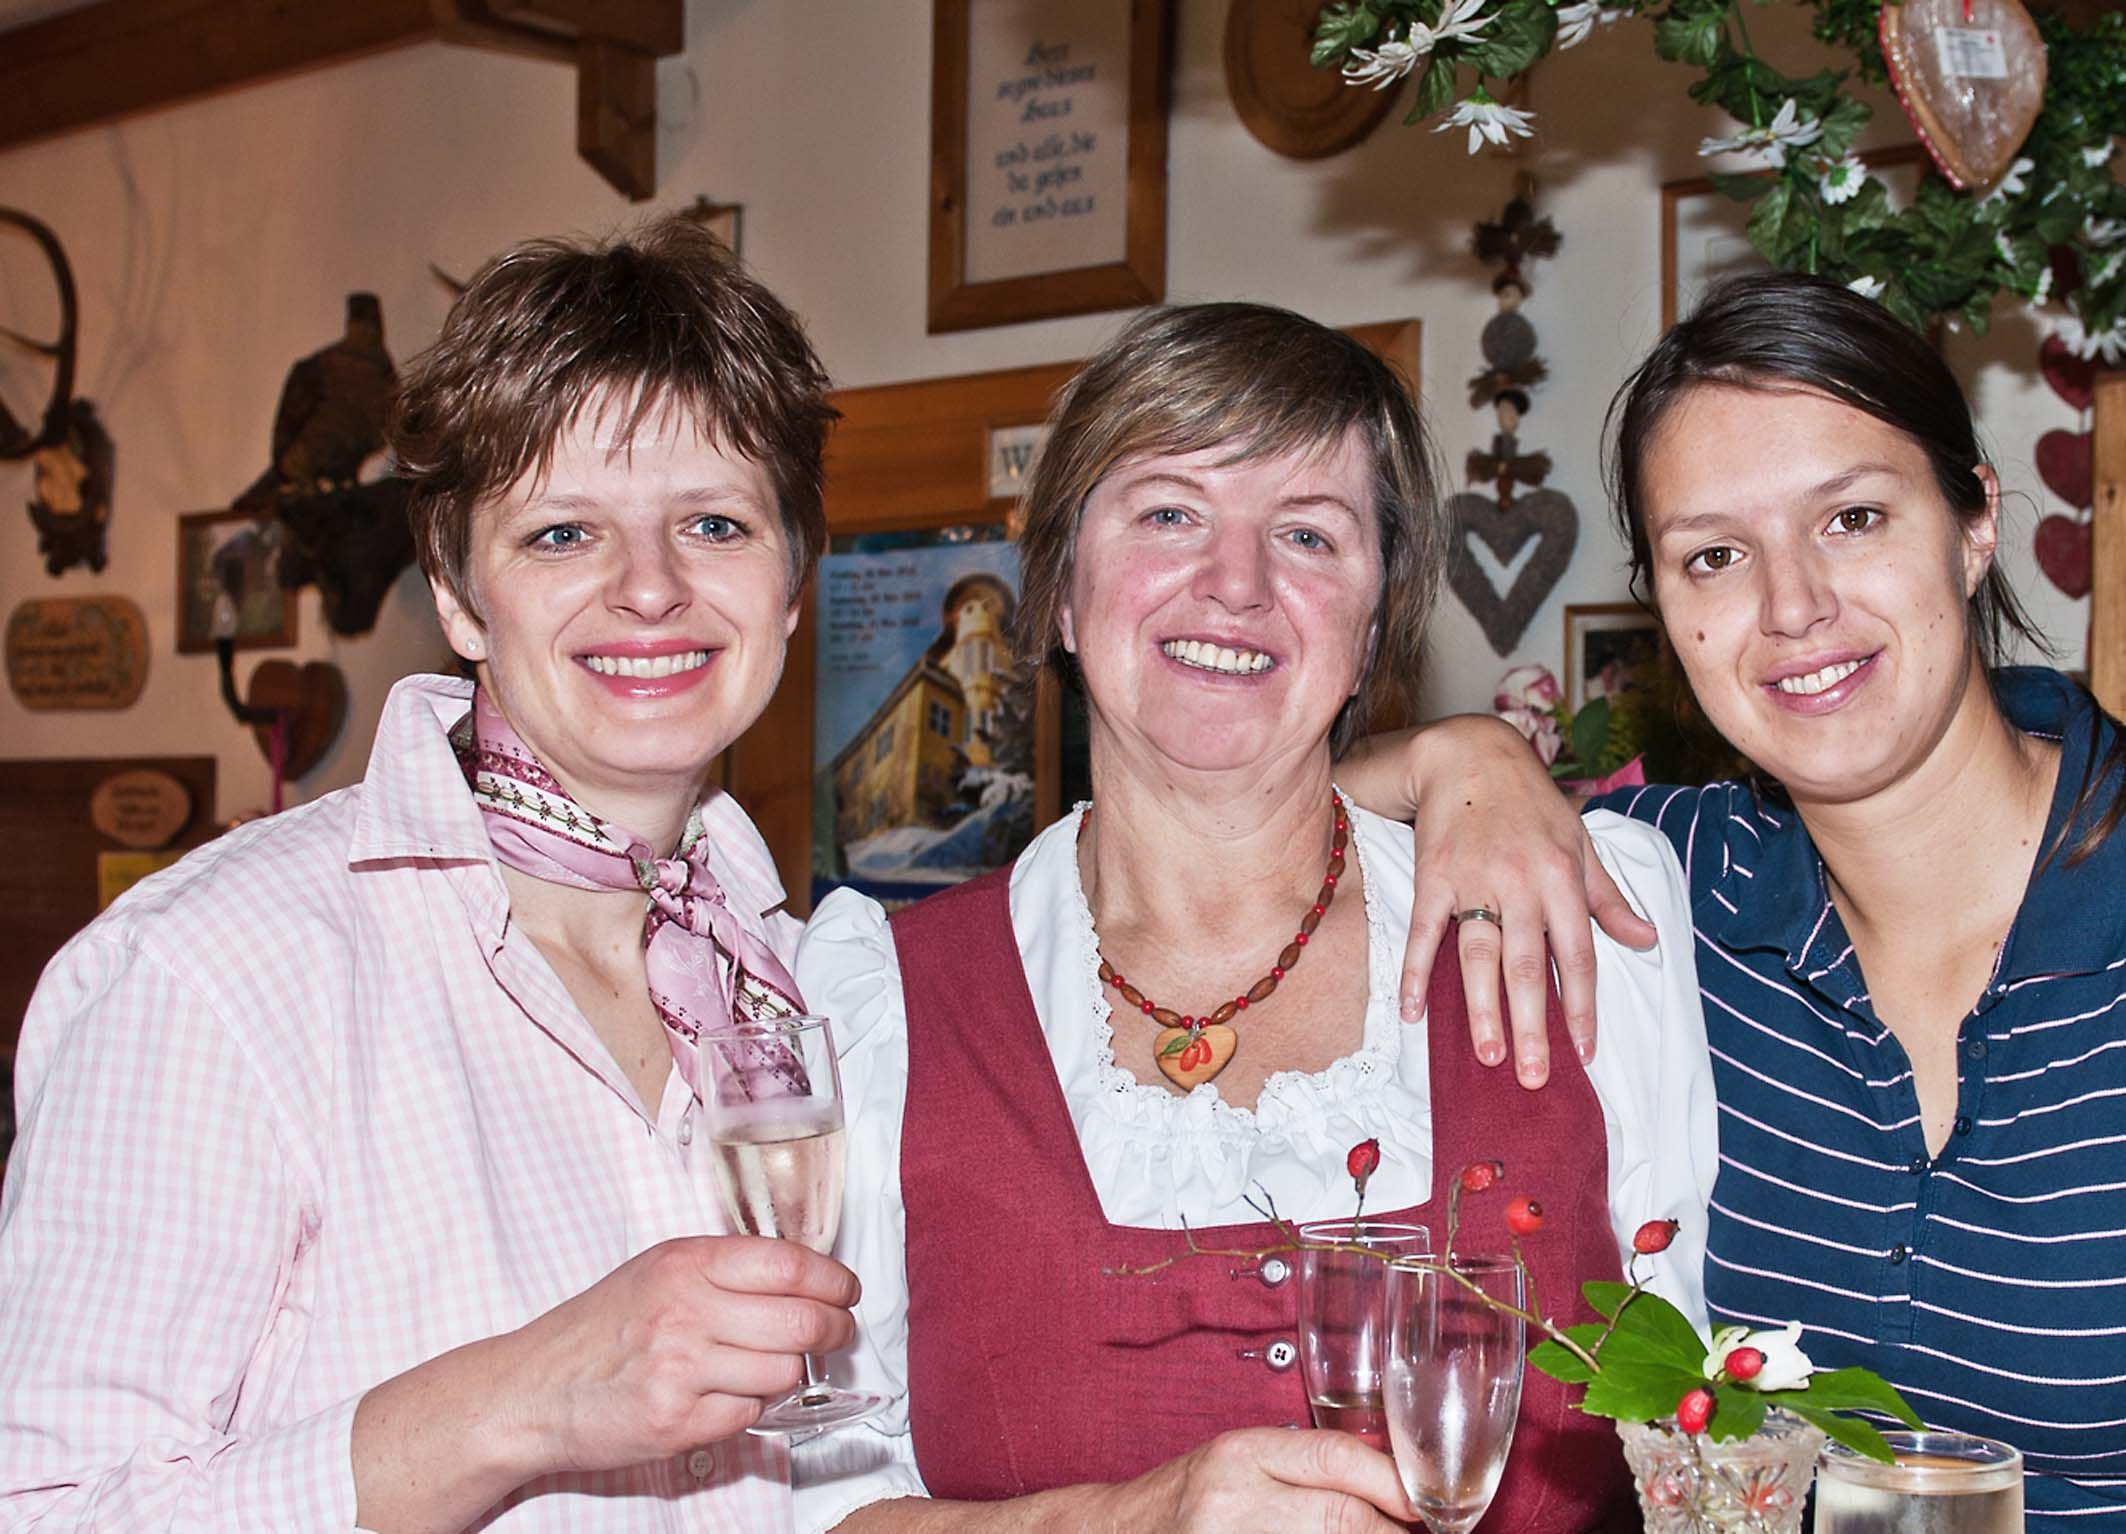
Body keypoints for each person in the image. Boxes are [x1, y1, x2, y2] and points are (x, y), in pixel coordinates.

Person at [789, 302, 1719, 1533]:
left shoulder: (1573, 920)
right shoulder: (879, 1003)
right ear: (1059, 590)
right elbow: (813, 1505)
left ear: (1372, 622)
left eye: (1306, 534)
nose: (1234, 584)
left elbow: (1699, 1456)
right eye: (1168, 514)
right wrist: (1129, 1521)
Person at [0, 218, 863, 1530]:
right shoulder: (211, 971)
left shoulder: (799, 971)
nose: (650, 588)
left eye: (713, 522)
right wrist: (521, 1398)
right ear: (458, 596)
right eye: (562, 533)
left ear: (789, 588)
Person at [1394, 272, 2126, 1526]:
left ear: (1971, 524)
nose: (1791, 607)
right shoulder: (1666, 883)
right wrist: (1456, 755)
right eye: (1715, 556)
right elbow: (1264, 811)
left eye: (1851, 517)